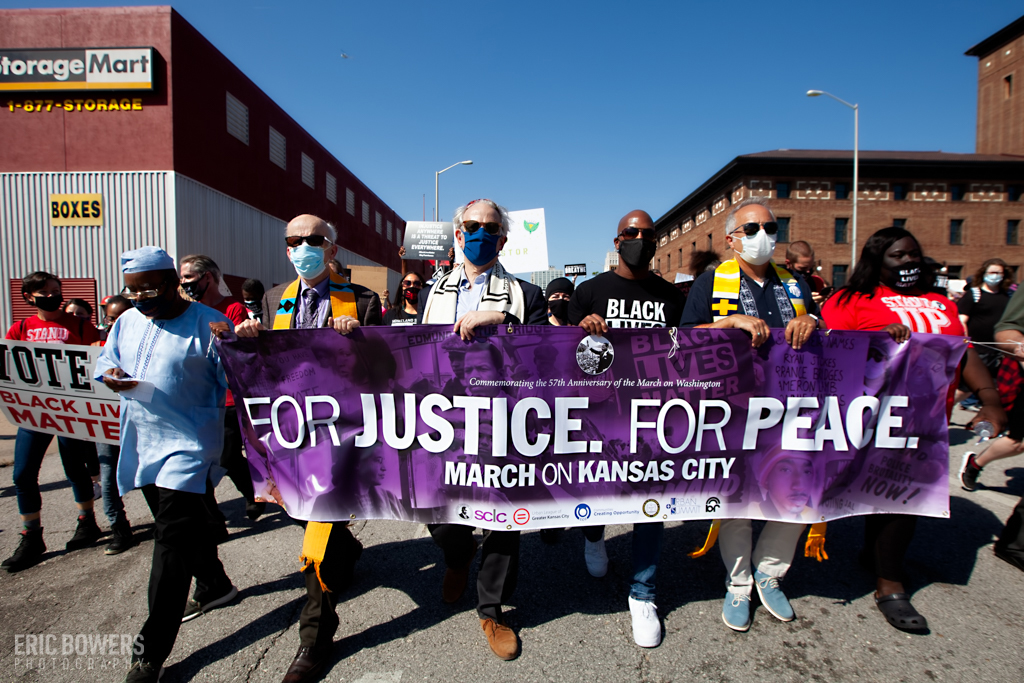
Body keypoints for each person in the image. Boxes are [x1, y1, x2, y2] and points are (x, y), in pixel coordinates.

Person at [821, 226, 1006, 631]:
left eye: (913, 255)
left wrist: (989, 399)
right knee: (870, 486)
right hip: (867, 413)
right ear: (877, 261)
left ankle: (890, 582)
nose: (908, 262)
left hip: (922, 418)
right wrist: (873, 339)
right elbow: (833, 347)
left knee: (903, 496)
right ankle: (875, 552)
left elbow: (962, 353)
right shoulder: (851, 300)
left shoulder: (939, 304)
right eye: (898, 256)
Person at [235, 214, 380, 683]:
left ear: (332, 249)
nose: (301, 247)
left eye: (312, 240)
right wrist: (245, 341)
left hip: (342, 436)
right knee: (306, 515)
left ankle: (314, 642)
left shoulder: (363, 300)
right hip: (292, 435)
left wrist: (358, 339)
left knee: (315, 540)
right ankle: (348, 546)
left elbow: (387, 370)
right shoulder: (276, 299)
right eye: (293, 241)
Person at [96, 247, 238, 683]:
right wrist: (111, 375)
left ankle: (150, 651)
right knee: (180, 527)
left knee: (170, 538)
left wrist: (232, 346)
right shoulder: (127, 321)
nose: (141, 297)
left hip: (190, 444)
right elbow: (107, 359)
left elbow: (238, 381)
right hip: (142, 441)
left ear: (174, 279)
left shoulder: (206, 324)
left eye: (150, 287)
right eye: (133, 290)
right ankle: (215, 585)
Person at [682, 196, 822, 634]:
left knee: (794, 492)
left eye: (769, 227)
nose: (763, 236)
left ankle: (771, 573)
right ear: (731, 239)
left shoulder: (794, 285)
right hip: (734, 407)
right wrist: (728, 324)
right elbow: (683, 339)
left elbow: (825, 330)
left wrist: (813, 320)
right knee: (739, 496)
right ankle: (738, 581)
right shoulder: (710, 283)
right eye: (752, 229)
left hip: (791, 404)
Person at [419, 198, 546, 661]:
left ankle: (490, 607)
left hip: (502, 420)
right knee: (435, 507)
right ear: (457, 234)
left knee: (501, 514)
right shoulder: (430, 293)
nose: (480, 233)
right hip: (441, 418)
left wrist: (504, 322)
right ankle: (457, 555)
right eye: (472, 225)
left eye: (490, 228)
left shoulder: (524, 295)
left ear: (504, 240)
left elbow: (543, 356)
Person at [567, 209, 686, 646]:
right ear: (617, 241)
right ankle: (594, 537)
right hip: (598, 412)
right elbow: (559, 349)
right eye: (631, 233)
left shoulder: (671, 297)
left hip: (653, 417)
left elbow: (688, 351)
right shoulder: (591, 290)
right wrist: (579, 329)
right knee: (598, 491)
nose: (640, 239)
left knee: (650, 503)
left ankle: (643, 593)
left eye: (648, 234)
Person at [2, 272, 102, 573]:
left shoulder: (81, 326)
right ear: (29, 297)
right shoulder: (20, 328)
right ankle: (32, 535)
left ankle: (87, 522)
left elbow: (97, 361)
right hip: (34, 412)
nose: (52, 295)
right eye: (45, 292)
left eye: (56, 290)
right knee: (23, 474)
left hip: (71, 412)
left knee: (75, 469)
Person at [180, 254, 264, 523]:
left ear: (207, 278)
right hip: (198, 398)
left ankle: (253, 493)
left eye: (188, 278)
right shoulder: (186, 313)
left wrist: (226, 333)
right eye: (181, 279)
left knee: (228, 454)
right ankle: (209, 513)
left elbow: (240, 349)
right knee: (199, 459)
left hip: (228, 398)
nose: (183, 284)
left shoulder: (232, 309)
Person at [94, 295, 137, 555]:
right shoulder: (96, 345)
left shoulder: (137, 341)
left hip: (137, 421)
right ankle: (118, 528)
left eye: (121, 316)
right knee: (109, 476)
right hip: (105, 423)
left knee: (148, 478)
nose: (115, 323)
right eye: (111, 318)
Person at [955, 258, 1012, 411]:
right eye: (992, 272)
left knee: (995, 387)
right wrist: (966, 342)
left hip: (998, 350)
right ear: (984, 273)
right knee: (967, 388)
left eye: (999, 273)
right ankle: (939, 410)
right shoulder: (974, 294)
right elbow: (962, 320)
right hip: (977, 350)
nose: (995, 276)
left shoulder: (1007, 297)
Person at [784, 241, 828, 305]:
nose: (808, 271)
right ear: (788, 264)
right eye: (803, 268)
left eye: (811, 267)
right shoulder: (778, 284)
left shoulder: (817, 282)